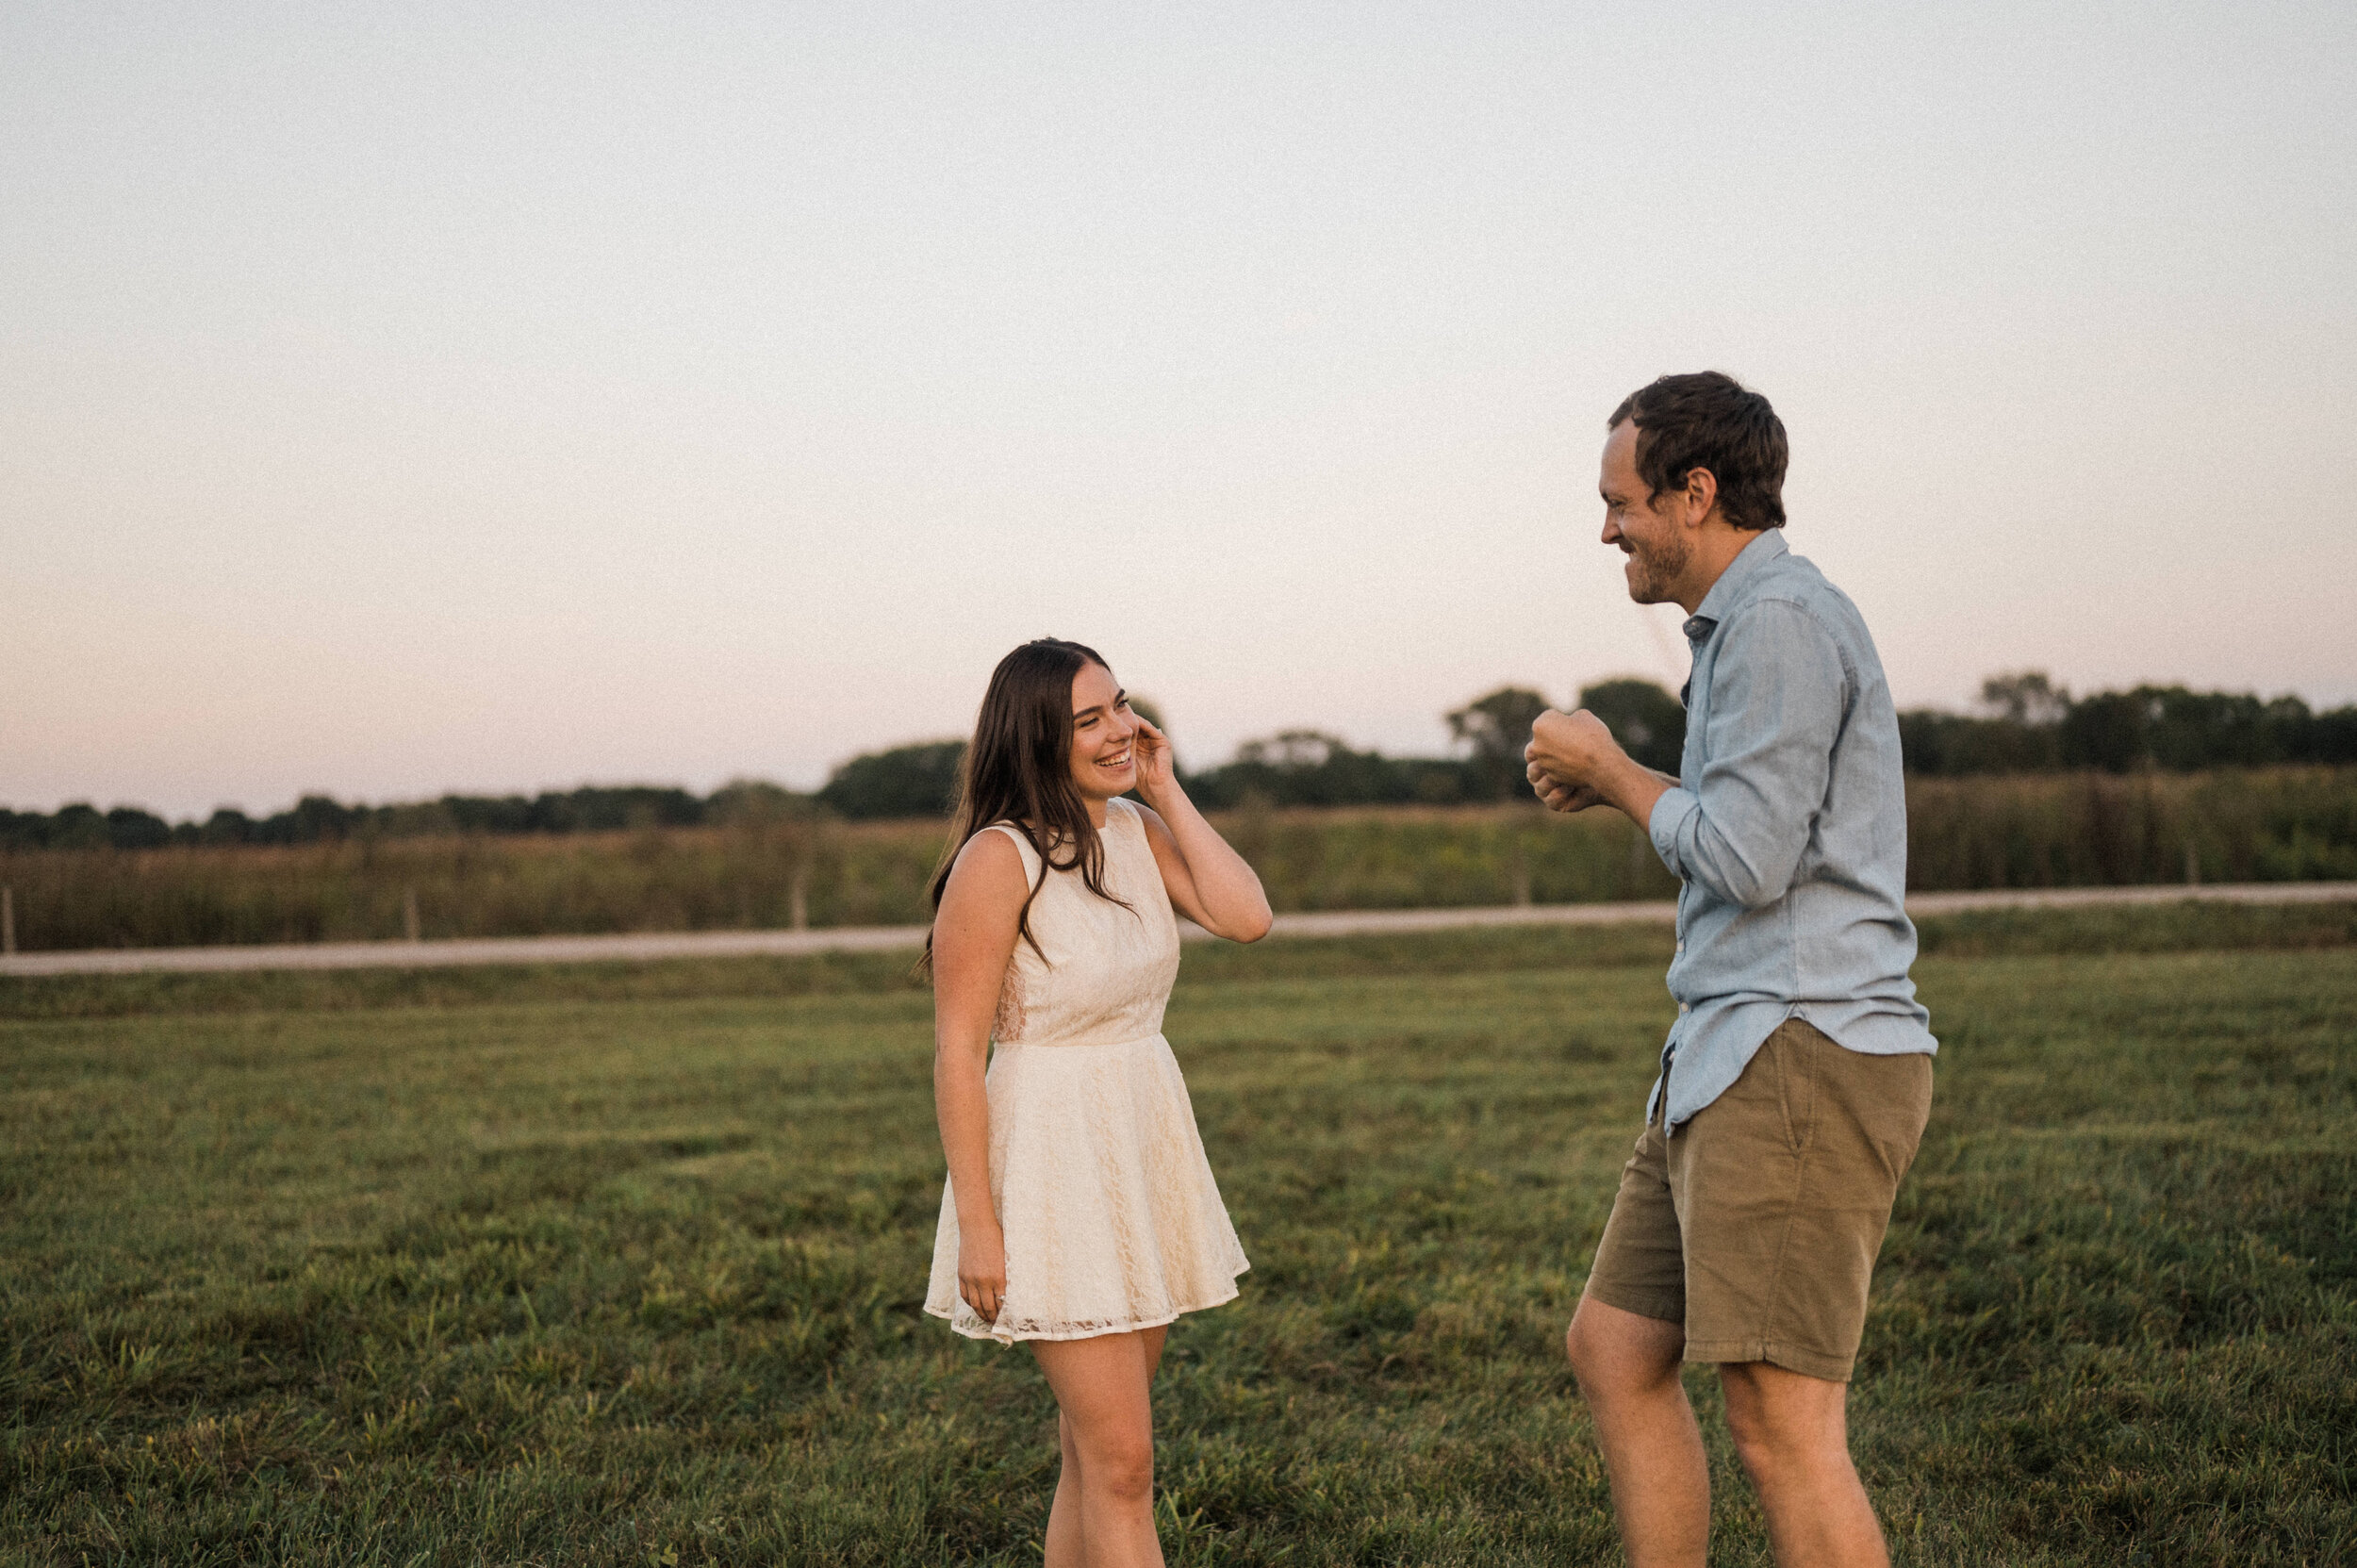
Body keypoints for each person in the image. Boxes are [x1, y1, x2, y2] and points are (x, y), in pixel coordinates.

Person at [1525, 372, 1937, 1568]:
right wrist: (1625, 786)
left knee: (1781, 1423)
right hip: (1723, 1052)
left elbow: (1747, 860)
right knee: (1614, 1345)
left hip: (1798, 1051)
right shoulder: (1743, 630)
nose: (1608, 529)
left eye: (1621, 502)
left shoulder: (1778, 624)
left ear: (1694, 493)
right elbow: (1743, 830)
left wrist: (1612, 770)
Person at [924, 636, 1273, 1568]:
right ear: (1037, 738)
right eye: (1090, 719)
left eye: (1119, 703)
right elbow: (958, 1050)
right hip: (1047, 1158)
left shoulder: (1133, 833)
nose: (1120, 727)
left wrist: (1163, 788)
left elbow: (1246, 917)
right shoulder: (997, 860)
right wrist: (981, 1227)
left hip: (1137, 1142)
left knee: (1095, 1456)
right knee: (1123, 1462)